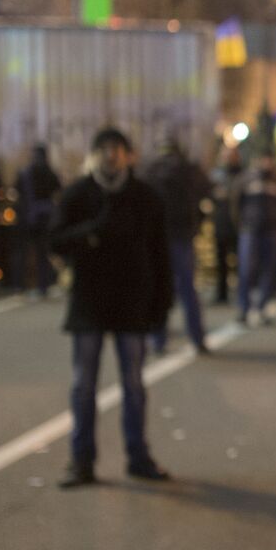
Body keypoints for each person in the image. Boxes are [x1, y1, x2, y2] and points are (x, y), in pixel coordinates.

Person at [49, 128, 173, 487]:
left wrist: (161, 304)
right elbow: (55, 241)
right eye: (104, 149)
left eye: (117, 149)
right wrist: (90, 232)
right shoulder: (79, 194)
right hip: (89, 303)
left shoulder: (145, 197)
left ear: (128, 155)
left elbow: (159, 254)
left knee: (133, 384)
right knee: (83, 385)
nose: (111, 156)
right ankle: (81, 459)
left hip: (131, 304)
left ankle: (138, 456)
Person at [140, 136, 210, 354]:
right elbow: (205, 193)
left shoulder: (149, 169)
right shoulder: (187, 169)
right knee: (188, 287)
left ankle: (158, 338)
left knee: (160, 286)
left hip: (157, 237)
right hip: (181, 234)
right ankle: (197, 337)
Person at [233, 151, 276, 326]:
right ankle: (244, 308)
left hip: (271, 230)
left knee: (268, 270)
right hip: (250, 229)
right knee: (247, 270)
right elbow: (235, 204)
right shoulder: (246, 179)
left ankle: (262, 307)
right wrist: (241, 224)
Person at [14, 142, 62, 296]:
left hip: (27, 219)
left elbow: (17, 192)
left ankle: (20, 285)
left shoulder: (25, 173)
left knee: (23, 253)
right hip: (44, 219)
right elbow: (58, 191)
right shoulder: (49, 173)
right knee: (42, 254)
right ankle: (43, 286)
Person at [209, 146, 244, 304]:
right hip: (221, 222)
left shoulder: (243, 174)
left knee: (241, 260)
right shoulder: (216, 175)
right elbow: (209, 194)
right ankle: (221, 293)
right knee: (221, 260)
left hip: (238, 223)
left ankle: (242, 293)